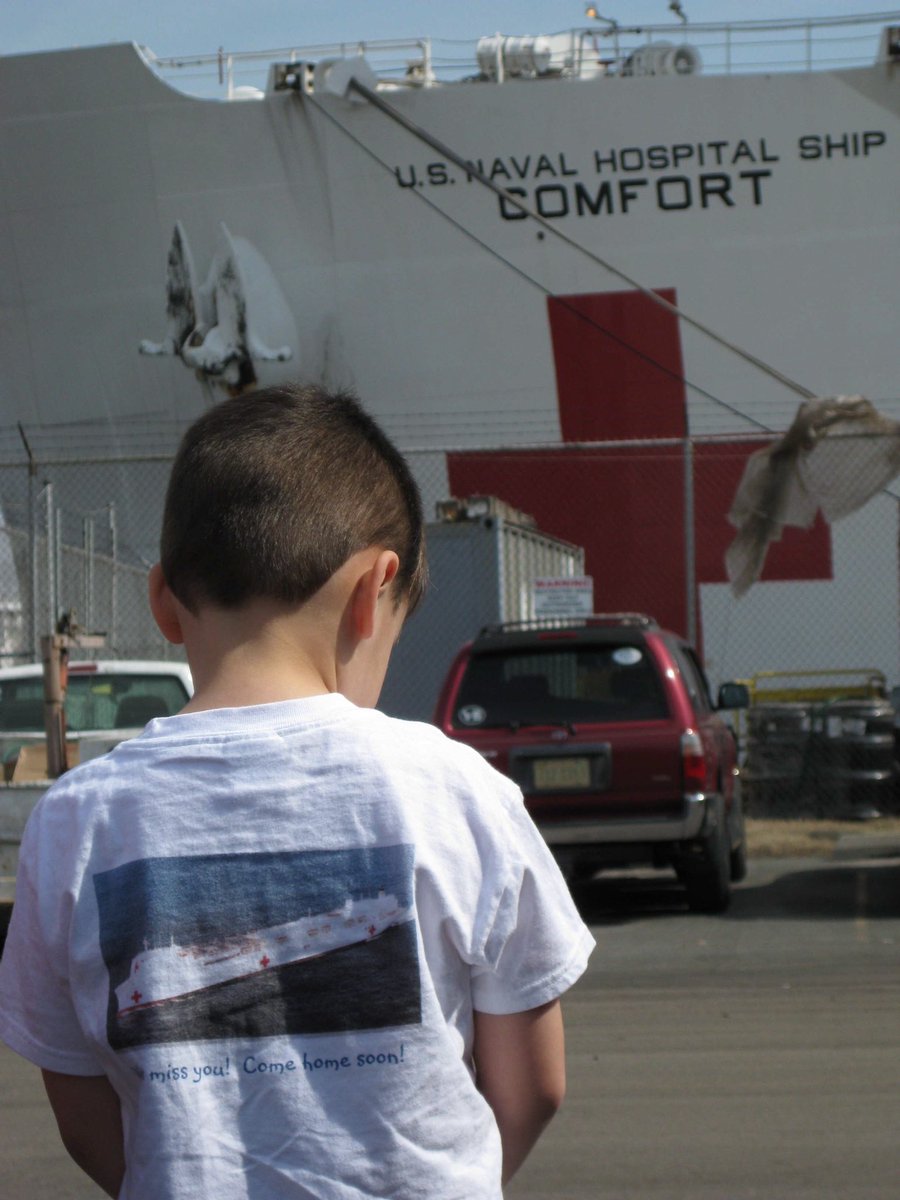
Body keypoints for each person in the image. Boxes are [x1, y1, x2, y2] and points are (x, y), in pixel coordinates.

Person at [0, 384, 594, 1199]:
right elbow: (534, 1087)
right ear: (372, 592)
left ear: (163, 601)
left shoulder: (72, 823)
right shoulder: (460, 793)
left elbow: (80, 1108)